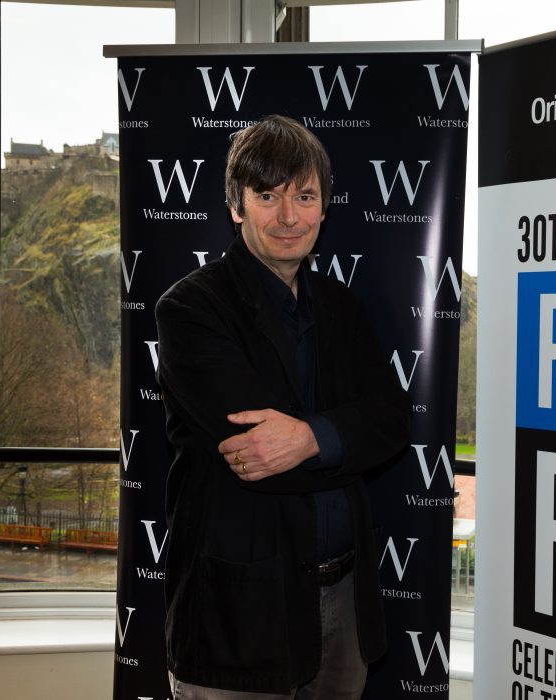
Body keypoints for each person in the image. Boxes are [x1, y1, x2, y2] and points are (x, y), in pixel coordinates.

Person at [155, 115, 411, 699]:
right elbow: (255, 454)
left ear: (324, 206)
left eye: (304, 195)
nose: (289, 216)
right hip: (239, 612)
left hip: (345, 603)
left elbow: (393, 423)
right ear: (236, 206)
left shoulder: (344, 308)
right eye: (267, 196)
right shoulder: (191, 310)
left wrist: (311, 438)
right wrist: (344, 434)